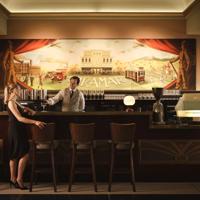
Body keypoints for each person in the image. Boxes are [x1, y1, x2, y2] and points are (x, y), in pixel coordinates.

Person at [6, 82, 46, 190]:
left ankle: (13, 179)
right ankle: (19, 179)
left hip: (18, 130)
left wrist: (29, 110)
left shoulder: (16, 102)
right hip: (16, 130)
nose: (20, 91)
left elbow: (31, 113)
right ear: (13, 91)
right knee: (24, 153)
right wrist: (35, 122)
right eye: (18, 89)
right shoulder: (11, 102)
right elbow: (19, 119)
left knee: (14, 155)